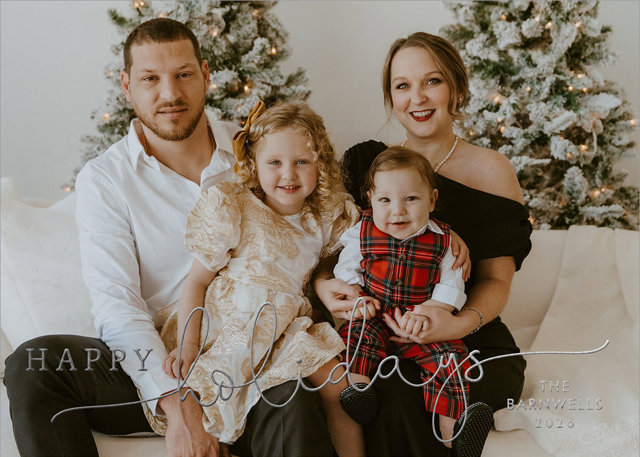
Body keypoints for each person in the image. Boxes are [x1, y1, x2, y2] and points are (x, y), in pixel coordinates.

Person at [3, 18, 335, 457]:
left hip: (252, 353)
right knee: (34, 364)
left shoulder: (260, 150)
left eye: (183, 74)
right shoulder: (106, 179)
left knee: (294, 398)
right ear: (127, 85)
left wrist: (326, 278)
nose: (170, 93)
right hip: (155, 357)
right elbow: (117, 304)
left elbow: (317, 228)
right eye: (150, 79)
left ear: (205, 74)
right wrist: (178, 405)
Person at [313, 32, 532, 457]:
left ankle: (459, 426)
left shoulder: (492, 170)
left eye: (432, 81)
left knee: (470, 383)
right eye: (402, 85)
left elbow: (496, 281)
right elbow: (337, 251)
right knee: (391, 395)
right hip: (382, 323)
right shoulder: (368, 164)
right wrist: (325, 286)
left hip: (465, 329)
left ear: (456, 88)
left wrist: (455, 324)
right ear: (390, 96)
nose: (417, 98)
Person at [156, 100, 364, 456]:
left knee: (338, 387)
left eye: (302, 162)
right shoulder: (235, 206)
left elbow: (367, 241)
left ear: (320, 164)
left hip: (285, 330)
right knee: (218, 398)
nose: (289, 175)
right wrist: (188, 344)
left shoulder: (325, 218)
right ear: (254, 164)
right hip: (232, 323)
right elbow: (197, 282)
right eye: (275, 163)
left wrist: (444, 236)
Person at [333, 147, 493, 454]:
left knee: (450, 359)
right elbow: (346, 269)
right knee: (353, 338)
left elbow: (451, 284)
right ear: (370, 199)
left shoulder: (445, 241)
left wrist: (430, 311)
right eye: (385, 200)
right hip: (375, 315)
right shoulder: (361, 232)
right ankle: (358, 391)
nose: (398, 211)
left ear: (432, 200)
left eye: (411, 199)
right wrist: (358, 298)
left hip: (421, 323)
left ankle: (454, 433)